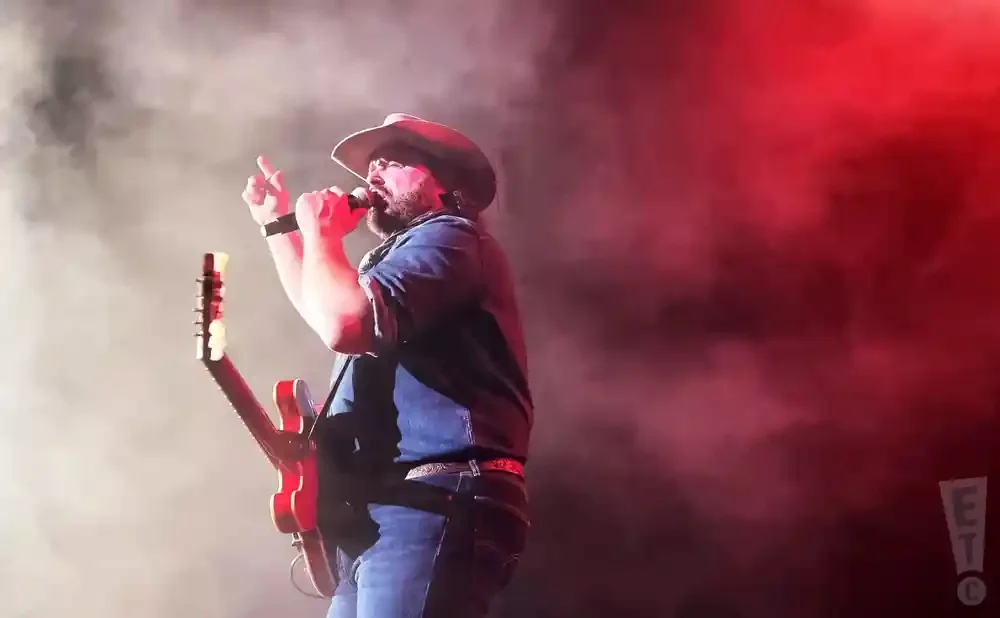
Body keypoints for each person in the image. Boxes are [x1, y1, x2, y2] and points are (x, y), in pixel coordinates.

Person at [241, 113, 533, 618]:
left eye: (394, 162)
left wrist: (324, 238)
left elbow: (344, 326)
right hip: (393, 507)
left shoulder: (452, 237)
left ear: (447, 183)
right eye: (371, 166)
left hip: (438, 497)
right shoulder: (404, 252)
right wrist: (278, 226)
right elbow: (324, 308)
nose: (372, 175)